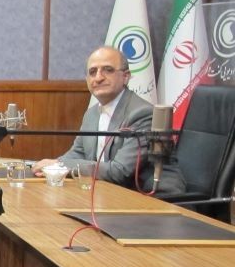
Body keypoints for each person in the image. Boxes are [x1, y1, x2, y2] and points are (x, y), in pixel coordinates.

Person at [32, 45, 185, 194]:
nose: (98, 78)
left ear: (126, 77)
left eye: (108, 70)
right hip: (111, 193)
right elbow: (77, 153)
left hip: (156, 199)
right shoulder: (91, 114)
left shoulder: (142, 114)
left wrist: (61, 164)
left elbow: (120, 171)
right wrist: (52, 168)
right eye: (92, 72)